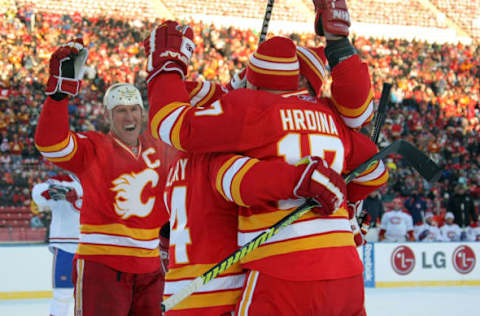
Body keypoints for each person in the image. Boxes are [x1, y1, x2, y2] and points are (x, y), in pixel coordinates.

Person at [144, 14, 387, 316]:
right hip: (346, 271)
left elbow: (171, 123)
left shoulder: (249, 109)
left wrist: (167, 67)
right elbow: (375, 170)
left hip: (282, 270)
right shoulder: (332, 117)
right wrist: (347, 208)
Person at [35, 39, 171, 316]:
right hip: (103, 265)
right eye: (121, 110)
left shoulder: (159, 148)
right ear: (108, 115)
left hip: (150, 268)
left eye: (134, 109)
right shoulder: (93, 147)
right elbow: (51, 143)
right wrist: (59, 95)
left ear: (142, 113)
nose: (129, 116)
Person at [163, 152, 346, 315]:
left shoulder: (174, 167)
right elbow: (253, 185)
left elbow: (170, 228)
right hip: (219, 297)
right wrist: (301, 177)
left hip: (177, 298)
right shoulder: (218, 159)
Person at [31, 172, 82, 316]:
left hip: (94, 245)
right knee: (62, 294)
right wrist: (56, 192)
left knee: (91, 294)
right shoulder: (62, 180)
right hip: (66, 244)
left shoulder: (100, 178)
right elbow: (38, 194)